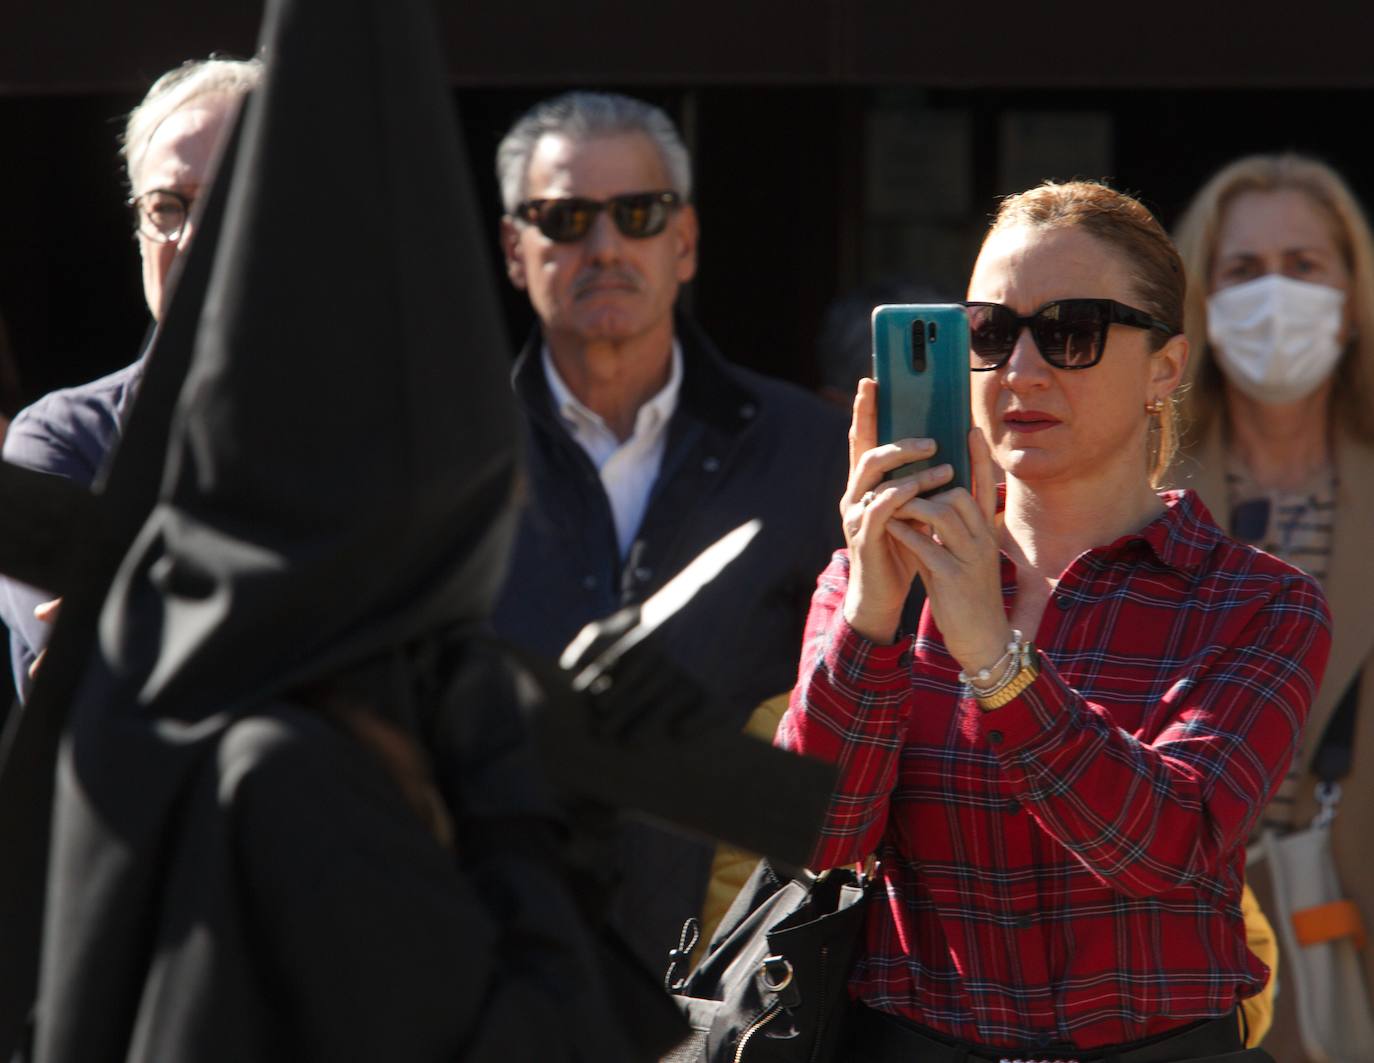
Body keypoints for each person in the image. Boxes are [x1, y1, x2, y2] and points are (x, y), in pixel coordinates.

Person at [778, 179, 1331, 1060]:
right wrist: (873, 615)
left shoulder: (1254, 603)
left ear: (1165, 367)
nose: (1022, 372)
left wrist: (994, 659)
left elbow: (1162, 846)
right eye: (991, 334)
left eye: (1071, 332)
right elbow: (812, 839)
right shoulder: (873, 578)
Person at [492, 90, 849, 971]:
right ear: (514, 248)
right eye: (565, 218)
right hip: (498, 976)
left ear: (683, 241)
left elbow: (875, 708)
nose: (604, 246)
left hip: (736, 992)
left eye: (638, 214)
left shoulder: (808, 452)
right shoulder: (438, 459)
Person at [1173, 152, 1374, 1061]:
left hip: (1351, 935)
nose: (1275, 297)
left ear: (1353, 292)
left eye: (1305, 267)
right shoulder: (1137, 488)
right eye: (1244, 271)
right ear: (1200, 302)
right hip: (1177, 959)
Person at [0, 57, 260, 699]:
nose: (193, 236)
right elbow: (89, 685)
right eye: (166, 206)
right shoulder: (62, 439)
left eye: (230, 201)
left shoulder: (393, 426)